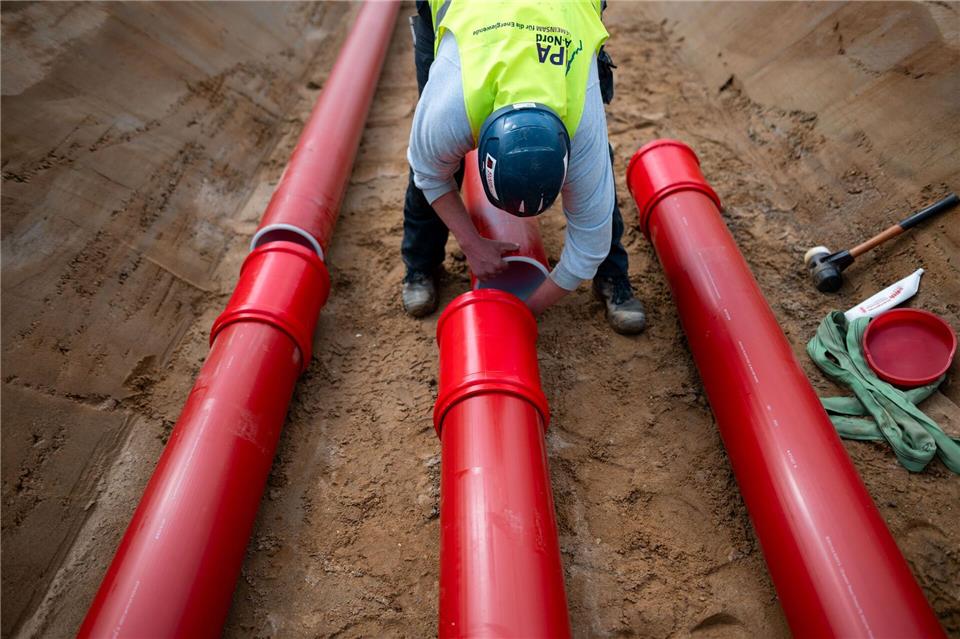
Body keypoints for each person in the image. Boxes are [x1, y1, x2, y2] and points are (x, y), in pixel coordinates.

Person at [401, 0, 646, 334]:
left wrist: (521, 312)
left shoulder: (582, 126)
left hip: (564, 15)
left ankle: (613, 276)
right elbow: (427, 172)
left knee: (596, 174)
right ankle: (421, 265)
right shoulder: (449, 106)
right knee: (440, 162)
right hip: (465, 15)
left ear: (565, 152)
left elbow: (588, 249)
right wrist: (472, 244)